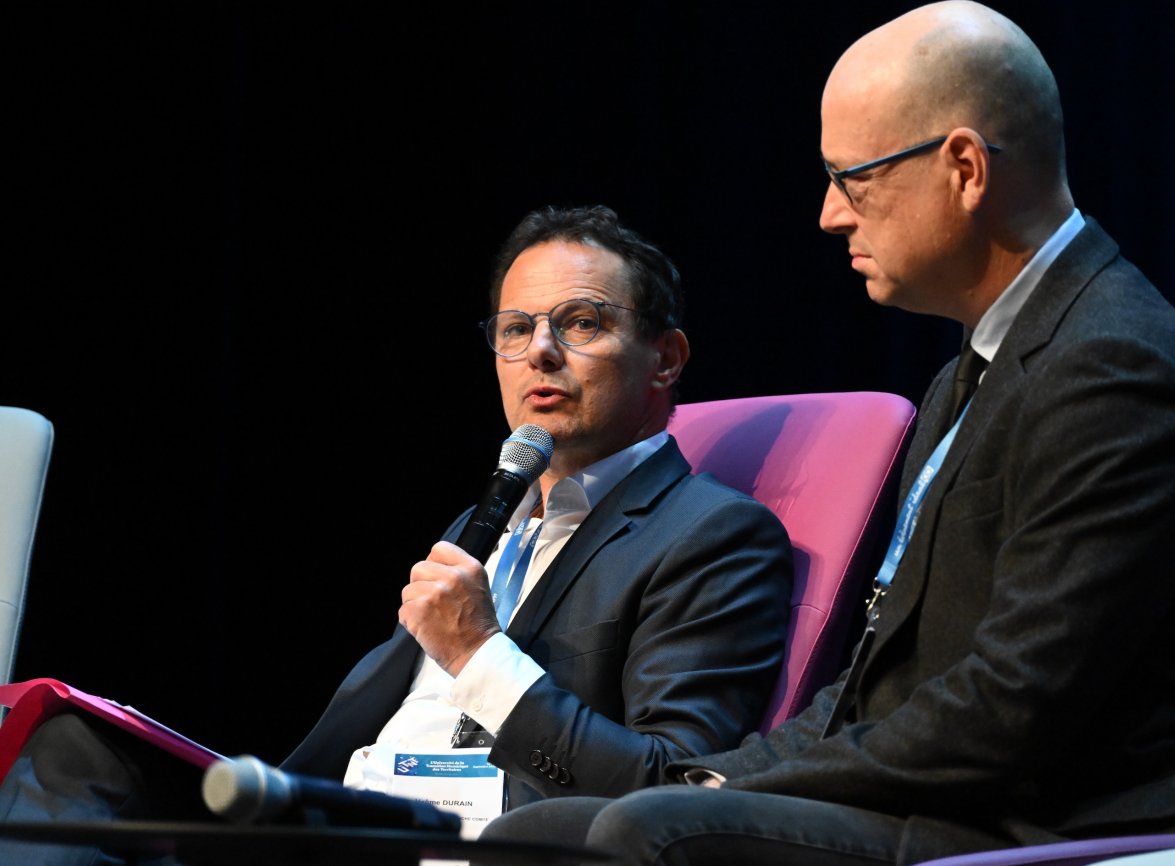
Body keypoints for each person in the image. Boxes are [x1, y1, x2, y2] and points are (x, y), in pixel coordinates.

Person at [478, 3, 1175, 863]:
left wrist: (719, 794)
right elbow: (871, 691)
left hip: (1060, 822)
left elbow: (1008, 710)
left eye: (852, 179)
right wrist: (714, 777)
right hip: (958, 800)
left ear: (965, 168)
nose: (829, 215)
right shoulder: (973, 373)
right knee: (538, 833)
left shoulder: (1114, 370)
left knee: (648, 829)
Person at [0, 205, 793, 859]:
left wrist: (478, 654)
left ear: (665, 358)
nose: (540, 352)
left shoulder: (714, 534)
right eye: (516, 329)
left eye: (581, 322)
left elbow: (668, 788)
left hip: (477, 840)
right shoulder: (485, 521)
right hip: (338, 817)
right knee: (71, 746)